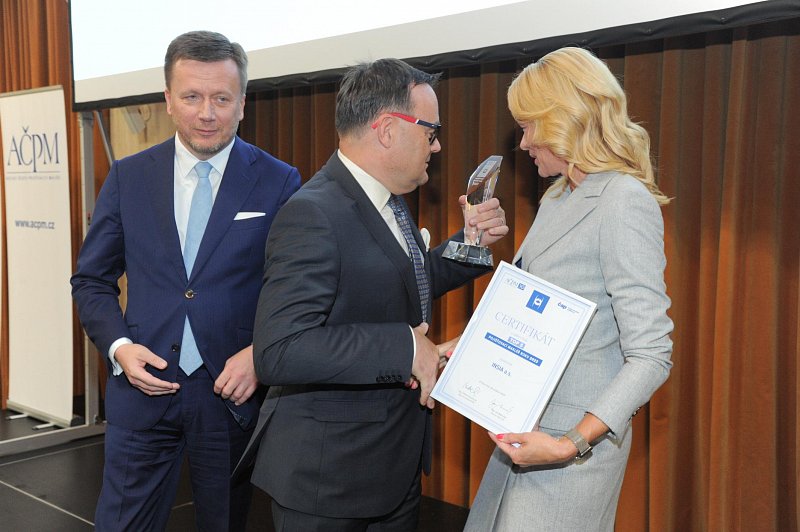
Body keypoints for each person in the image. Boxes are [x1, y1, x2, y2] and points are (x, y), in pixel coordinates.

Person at [240, 58, 508, 530]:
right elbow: (280, 350)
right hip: (329, 481)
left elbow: (405, 283)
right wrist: (406, 348)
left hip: (391, 469)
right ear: (387, 129)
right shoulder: (312, 214)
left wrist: (469, 245)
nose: (437, 146)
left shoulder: (385, 200)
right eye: (431, 132)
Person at [70, 30, 301, 531]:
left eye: (221, 98)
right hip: (142, 388)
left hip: (231, 394)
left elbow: (296, 291)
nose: (207, 113)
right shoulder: (129, 176)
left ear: (243, 103)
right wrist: (119, 348)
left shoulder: (279, 180)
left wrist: (260, 353)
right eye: (192, 97)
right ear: (169, 99)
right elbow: (91, 280)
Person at [463, 47, 674, 531]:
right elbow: (529, 310)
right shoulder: (559, 195)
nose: (522, 143)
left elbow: (651, 355)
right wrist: (460, 348)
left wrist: (569, 444)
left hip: (570, 453)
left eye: (529, 127)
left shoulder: (623, 200)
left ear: (565, 120)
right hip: (524, 434)